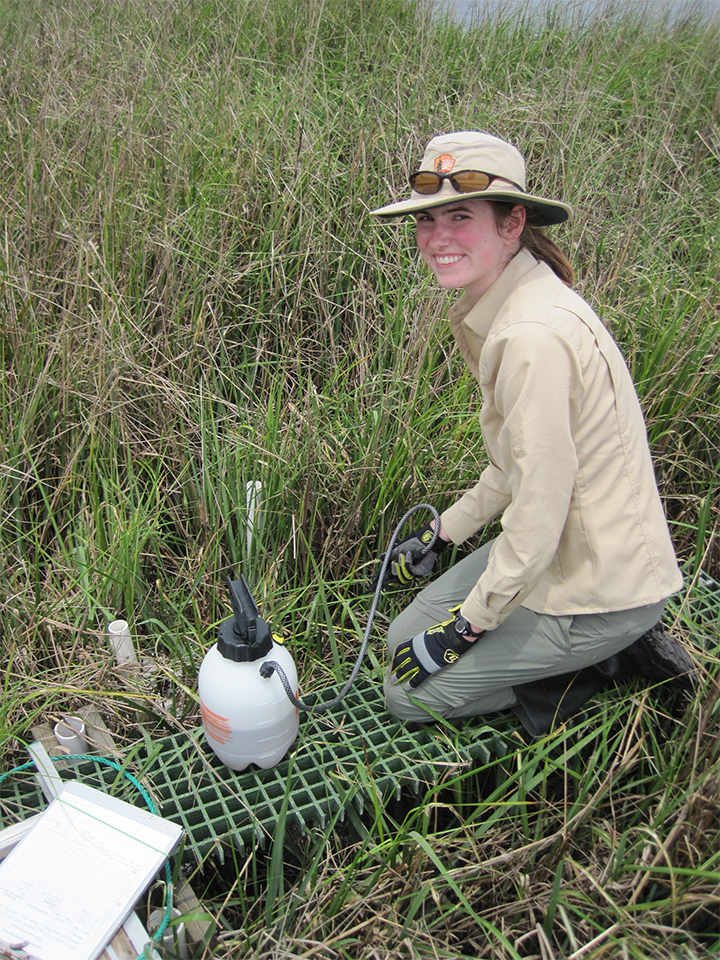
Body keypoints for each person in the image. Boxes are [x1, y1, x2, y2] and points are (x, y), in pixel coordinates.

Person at [370, 131, 694, 736]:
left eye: (460, 216)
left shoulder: (530, 337)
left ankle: (611, 657)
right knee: (400, 637)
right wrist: (444, 533)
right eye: (427, 220)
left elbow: (540, 509)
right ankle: (552, 644)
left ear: (512, 223)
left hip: (598, 582)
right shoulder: (508, 303)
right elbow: (517, 467)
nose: (437, 237)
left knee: (406, 696)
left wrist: (465, 630)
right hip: (555, 545)